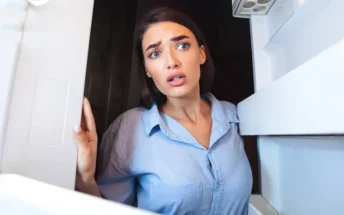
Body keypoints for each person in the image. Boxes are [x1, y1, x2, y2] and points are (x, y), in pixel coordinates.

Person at [73, 7, 252, 215]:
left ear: (201, 54)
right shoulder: (129, 128)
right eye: (155, 53)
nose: (172, 62)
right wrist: (86, 179)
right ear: (147, 69)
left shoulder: (235, 118)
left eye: (182, 45)